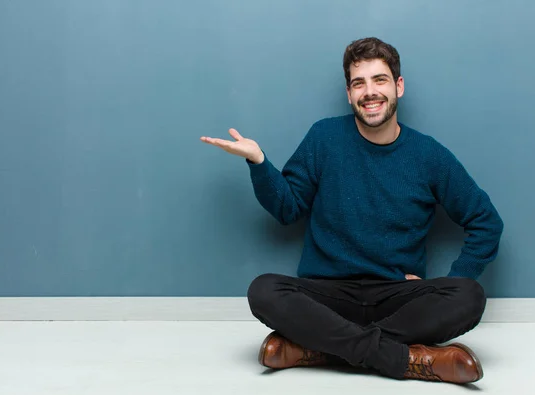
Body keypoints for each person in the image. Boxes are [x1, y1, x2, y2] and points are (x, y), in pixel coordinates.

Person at [200, 37, 504, 384]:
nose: (369, 91)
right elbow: (287, 209)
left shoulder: (428, 155)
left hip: (396, 296)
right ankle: (404, 358)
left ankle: (318, 348)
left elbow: (486, 222)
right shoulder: (324, 137)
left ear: (398, 86)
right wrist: (258, 162)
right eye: (359, 83)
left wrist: (454, 277)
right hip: (328, 294)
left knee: (468, 295)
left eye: (379, 80)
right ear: (349, 94)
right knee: (263, 290)